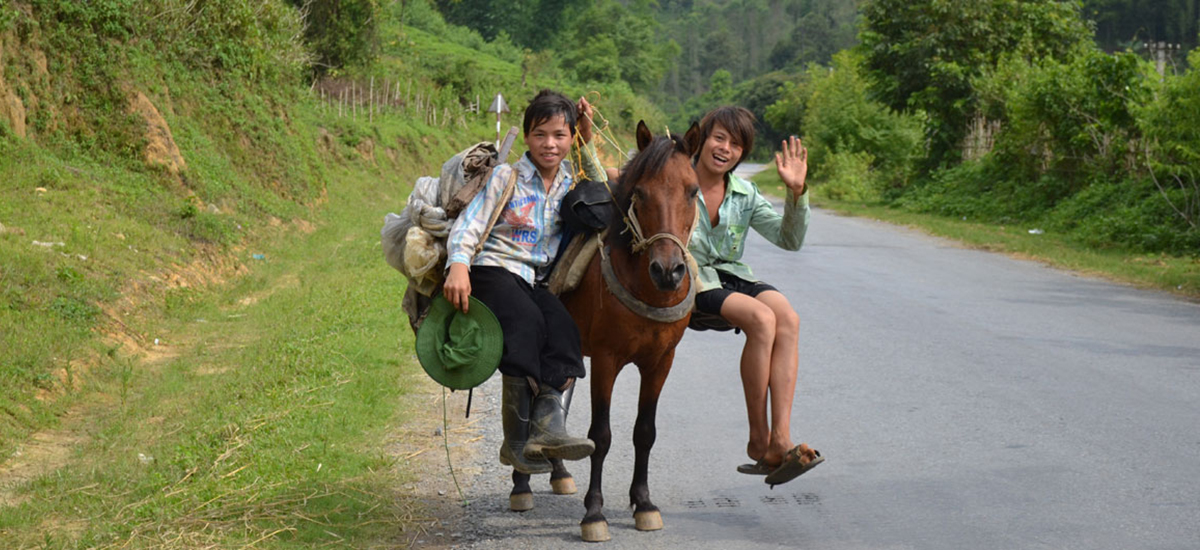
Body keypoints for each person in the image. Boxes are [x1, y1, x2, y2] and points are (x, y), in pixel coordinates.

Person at [443, 90, 602, 474]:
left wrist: (587, 134)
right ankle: (516, 441)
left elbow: (603, 193)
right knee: (527, 323)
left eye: (560, 136)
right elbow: (471, 222)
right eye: (541, 134)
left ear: (570, 140)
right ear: (528, 137)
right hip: (491, 270)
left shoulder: (569, 183)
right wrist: (459, 265)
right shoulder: (506, 175)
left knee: (565, 333)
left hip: (533, 281)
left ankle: (547, 430)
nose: (550, 144)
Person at [687, 106, 823, 485]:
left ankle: (781, 438)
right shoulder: (677, 177)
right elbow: (620, 178)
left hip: (731, 275)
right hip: (691, 278)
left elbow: (790, 239)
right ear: (701, 139)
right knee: (762, 319)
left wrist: (796, 192)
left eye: (736, 144)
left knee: (789, 319)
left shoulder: (745, 193)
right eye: (719, 138)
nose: (725, 148)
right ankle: (758, 438)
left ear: (742, 154)